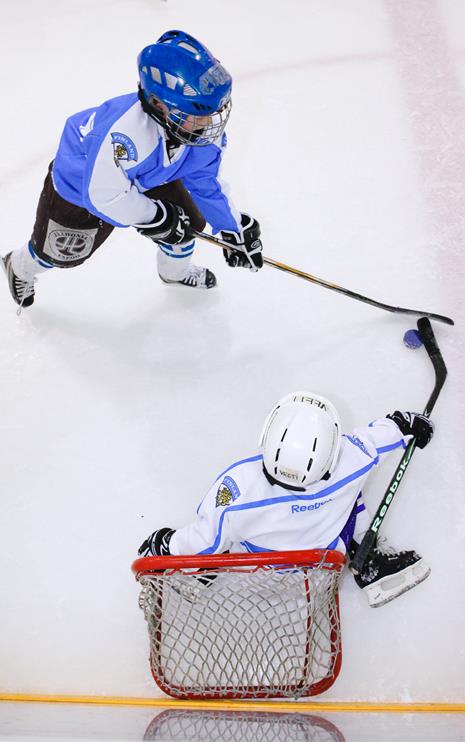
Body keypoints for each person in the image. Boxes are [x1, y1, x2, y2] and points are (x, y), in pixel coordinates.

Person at [2, 29, 263, 309]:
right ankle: (19, 266)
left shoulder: (195, 133)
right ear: (160, 105)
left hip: (147, 171)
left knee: (188, 224)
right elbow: (104, 195)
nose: (208, 124)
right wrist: (156, 218)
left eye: (212, 113)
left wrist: (233, 228)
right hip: (81, 186)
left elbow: (205, 182)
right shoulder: (123, 135)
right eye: (197, 116)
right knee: (61, 253)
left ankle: (174, 273)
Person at [138, 391, 434, 608]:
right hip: (318, 575)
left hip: (257, 580)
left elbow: (204, 540)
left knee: (222, 533)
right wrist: (405, 423)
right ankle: (368, 562)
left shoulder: (238, 487)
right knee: (352, 494)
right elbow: (376, 438)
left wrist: (165, 545)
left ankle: (199, 575)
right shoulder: (350, 461)